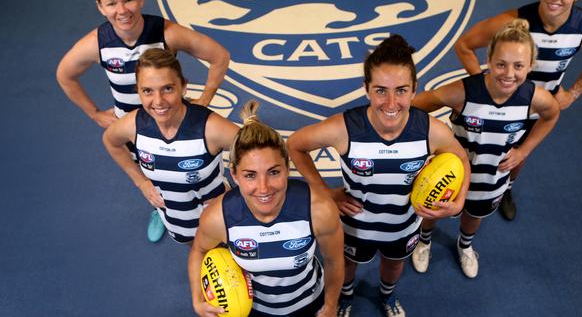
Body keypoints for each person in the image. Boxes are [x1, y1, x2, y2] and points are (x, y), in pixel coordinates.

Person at [287, 35, 470, 317]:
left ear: (414, 90)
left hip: (403, 223)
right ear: (366, 89)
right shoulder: (346, 128)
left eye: (401, 90)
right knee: (349, 264)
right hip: (355, 222)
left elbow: (460, 158)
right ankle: (346, 299)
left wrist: (458, 202)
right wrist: (325, 191)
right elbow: (295, 145)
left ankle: (387, 296)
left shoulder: (430, 130)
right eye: (381, 91)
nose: (391, 102)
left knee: (394, 263)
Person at [56, 0, 231, 241]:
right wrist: (93, 113)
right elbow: (65, 76)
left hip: (173, 118)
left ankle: (220, 200)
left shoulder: (167, 33)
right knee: (155, 175)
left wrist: (205, 98)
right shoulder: (97, 44)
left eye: (128, 0)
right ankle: (161, 208)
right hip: (134, 130)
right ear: (100, 7)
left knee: (196, 167)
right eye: (112, 3)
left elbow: (219, 56)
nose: (122, 10)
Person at [454, 0, 582, 220]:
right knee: (475, 154)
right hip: (499, 104)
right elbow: (464, 45)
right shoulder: (514, 23)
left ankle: (506, 189)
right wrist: (482, 85)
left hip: (536, 111)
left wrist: (573, 93)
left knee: (517, 158)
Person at [412, 19, 560, 278]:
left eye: (518, 66)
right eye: (501, 64)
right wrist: (429, 145)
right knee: (432, 209)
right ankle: (424, 241)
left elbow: (552, 114)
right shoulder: (463, 92)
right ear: (489, 60)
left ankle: (465, 246)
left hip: (492, 176)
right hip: (453, 174)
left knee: (474, 214)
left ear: (530, 66)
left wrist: (524, 151)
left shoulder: (534, 97)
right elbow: (417, 106)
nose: (508, 73)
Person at [188, 100, 344, 317]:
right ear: (234, 174)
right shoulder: (219, 217)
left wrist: (330, 305)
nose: (263, 188)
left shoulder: (318, 209)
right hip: (253, 311)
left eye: (273, 172)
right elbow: (199, 250)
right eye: (250, 175)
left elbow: (334, 261)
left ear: (287, 168)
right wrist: (197, 299)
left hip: (309, 304)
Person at [103, 48, 238, 243]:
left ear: (183, 87)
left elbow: (258, 153)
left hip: (220, 221)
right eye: (148, 91)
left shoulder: (210, 128)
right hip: (177, 221)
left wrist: (240, 197)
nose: (158, 102)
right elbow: (110, 141)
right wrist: (141, 182)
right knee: (194, 251)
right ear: (138, 92)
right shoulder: (133, 126)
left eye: (167, 88)